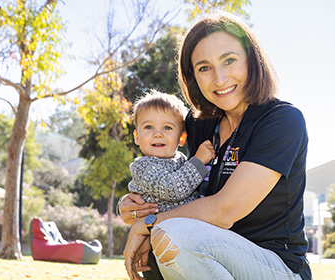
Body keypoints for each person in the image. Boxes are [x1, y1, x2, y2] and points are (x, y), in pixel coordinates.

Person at [121, 11, 312, 280]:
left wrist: (147, 225)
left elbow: (224, 211)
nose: (219, 79)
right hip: (213, 256)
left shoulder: (282, 120)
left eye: (229, 61)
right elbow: (178, 188)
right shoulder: (200, 124)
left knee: (174, 235)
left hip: (276, 266)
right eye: (204, 67)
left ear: (252, 61)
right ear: (192, 77)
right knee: (159, 248)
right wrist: (133, 205)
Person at [129, 90, 215, 213]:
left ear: (181, 138)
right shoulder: (142, 167)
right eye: (148, 127)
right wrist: (199, 161)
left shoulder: (182, 160)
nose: (158, 134)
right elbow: (173, 189)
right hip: (159, 228)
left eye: (167, 128)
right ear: (137, 137)